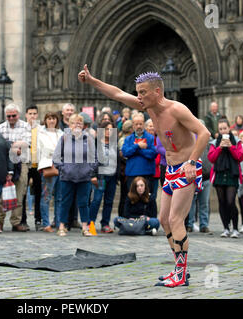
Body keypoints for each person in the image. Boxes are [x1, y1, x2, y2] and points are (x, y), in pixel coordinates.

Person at [78, 65, 210, 287]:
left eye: (143, 92)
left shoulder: (177, 109)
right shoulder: (149, 108)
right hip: (170, 169)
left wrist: (192, 162)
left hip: (187, 168)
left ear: (157, 92)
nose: (138, 96)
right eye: (137, 92)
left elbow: (204, 133)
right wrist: (92, 81)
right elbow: (117, 94)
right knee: (165, 220)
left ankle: (181, 272)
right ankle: (179, 269)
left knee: (176, 219)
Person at [53, 113, 98, 237]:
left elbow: (94, 158)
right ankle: (62, 226)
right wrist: (63, 169)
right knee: (65, 202)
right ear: (69, 124)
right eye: (74, 123)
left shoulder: (88, 139)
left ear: (83, 125)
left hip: (84, 177)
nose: (77, 125)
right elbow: (56, 157)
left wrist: (90, 170)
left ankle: (85, 227)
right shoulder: (64, 138)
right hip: (67, 177)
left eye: (79, 123)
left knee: (83, 203)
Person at [0, 103, 31, 232]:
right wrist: (14, 147)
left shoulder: (25, 126)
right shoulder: (0, 127)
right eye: (9, 116)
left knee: (20, 193)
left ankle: (16, 222)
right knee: (2, 194)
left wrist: (8, 146)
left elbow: (26, 143)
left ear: (18, 114)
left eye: (14, 115)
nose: (11, 118)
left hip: (21, 163)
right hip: (4, 163)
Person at [207, 118, 243, 238]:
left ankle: (235, 228)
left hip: (232, 174)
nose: (223, 131)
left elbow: (240, 157)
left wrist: (231, 147)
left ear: (229, 128)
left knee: (231, 201)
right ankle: (225, 228)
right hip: (219, 174)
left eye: (225, 128)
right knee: (222, 202)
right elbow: (211, 158)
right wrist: (220, 148)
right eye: (221, 129)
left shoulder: (237, 141)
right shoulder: (214, 142)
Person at [121, 112, 157, 217]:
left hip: (147, 173)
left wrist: (137, 150)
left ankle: (151, 220)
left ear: (144, 125)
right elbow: (125, 153)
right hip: (132, 173)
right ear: (133, 125)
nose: (138, 126)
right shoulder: (128, 139)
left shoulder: (150, 138)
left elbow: (152, 154)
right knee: (131, 197)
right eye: (136, 124)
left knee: (149, 198)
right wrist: (138, 146)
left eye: (140, 124)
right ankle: (130, 219)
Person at [89, 121, 119, 233]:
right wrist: (93, 175)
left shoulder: (114, 143)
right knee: (96, 200)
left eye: (111, 129)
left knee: (109, 201)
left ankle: (105, 224)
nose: (108, 132)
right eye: (106, 129)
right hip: (101, 176)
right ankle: (90, 223)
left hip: (112, 176)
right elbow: (91, 160)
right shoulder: (96, 143)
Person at [37, 112, 64, 232]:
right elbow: (38, 151)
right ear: (45, 120)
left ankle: (58, 222)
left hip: (61, 166)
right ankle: (46, 223)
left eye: (53, 119)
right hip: (48, 165)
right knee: (46, 196)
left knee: (59, 197)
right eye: (49, 119)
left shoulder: (61, 133)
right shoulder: (41, 133)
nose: (51, 121)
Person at [186, 119, 213, 233]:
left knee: (204, 203)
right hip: (193, 177)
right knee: (191, 203)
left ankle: (204, 224)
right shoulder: (189, 141)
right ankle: (189, 224)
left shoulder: (209, 143)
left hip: (206, 176)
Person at [24, 105, 42, 230]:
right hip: (25, 164)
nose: (32, 116)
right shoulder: (22, 128)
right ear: (26, 115)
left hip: (38, 165)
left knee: (39, 193)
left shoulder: (41, 129)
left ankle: (38, 219)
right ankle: (23, 220)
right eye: (30, 113)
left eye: (34, 114)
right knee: (23, 193)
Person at [118, 120, 133, 217]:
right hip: (125, 171)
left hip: (128, 169)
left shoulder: (125, 138)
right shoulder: (123, 140)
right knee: (124, 194)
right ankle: (123, 215)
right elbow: (124, 155)